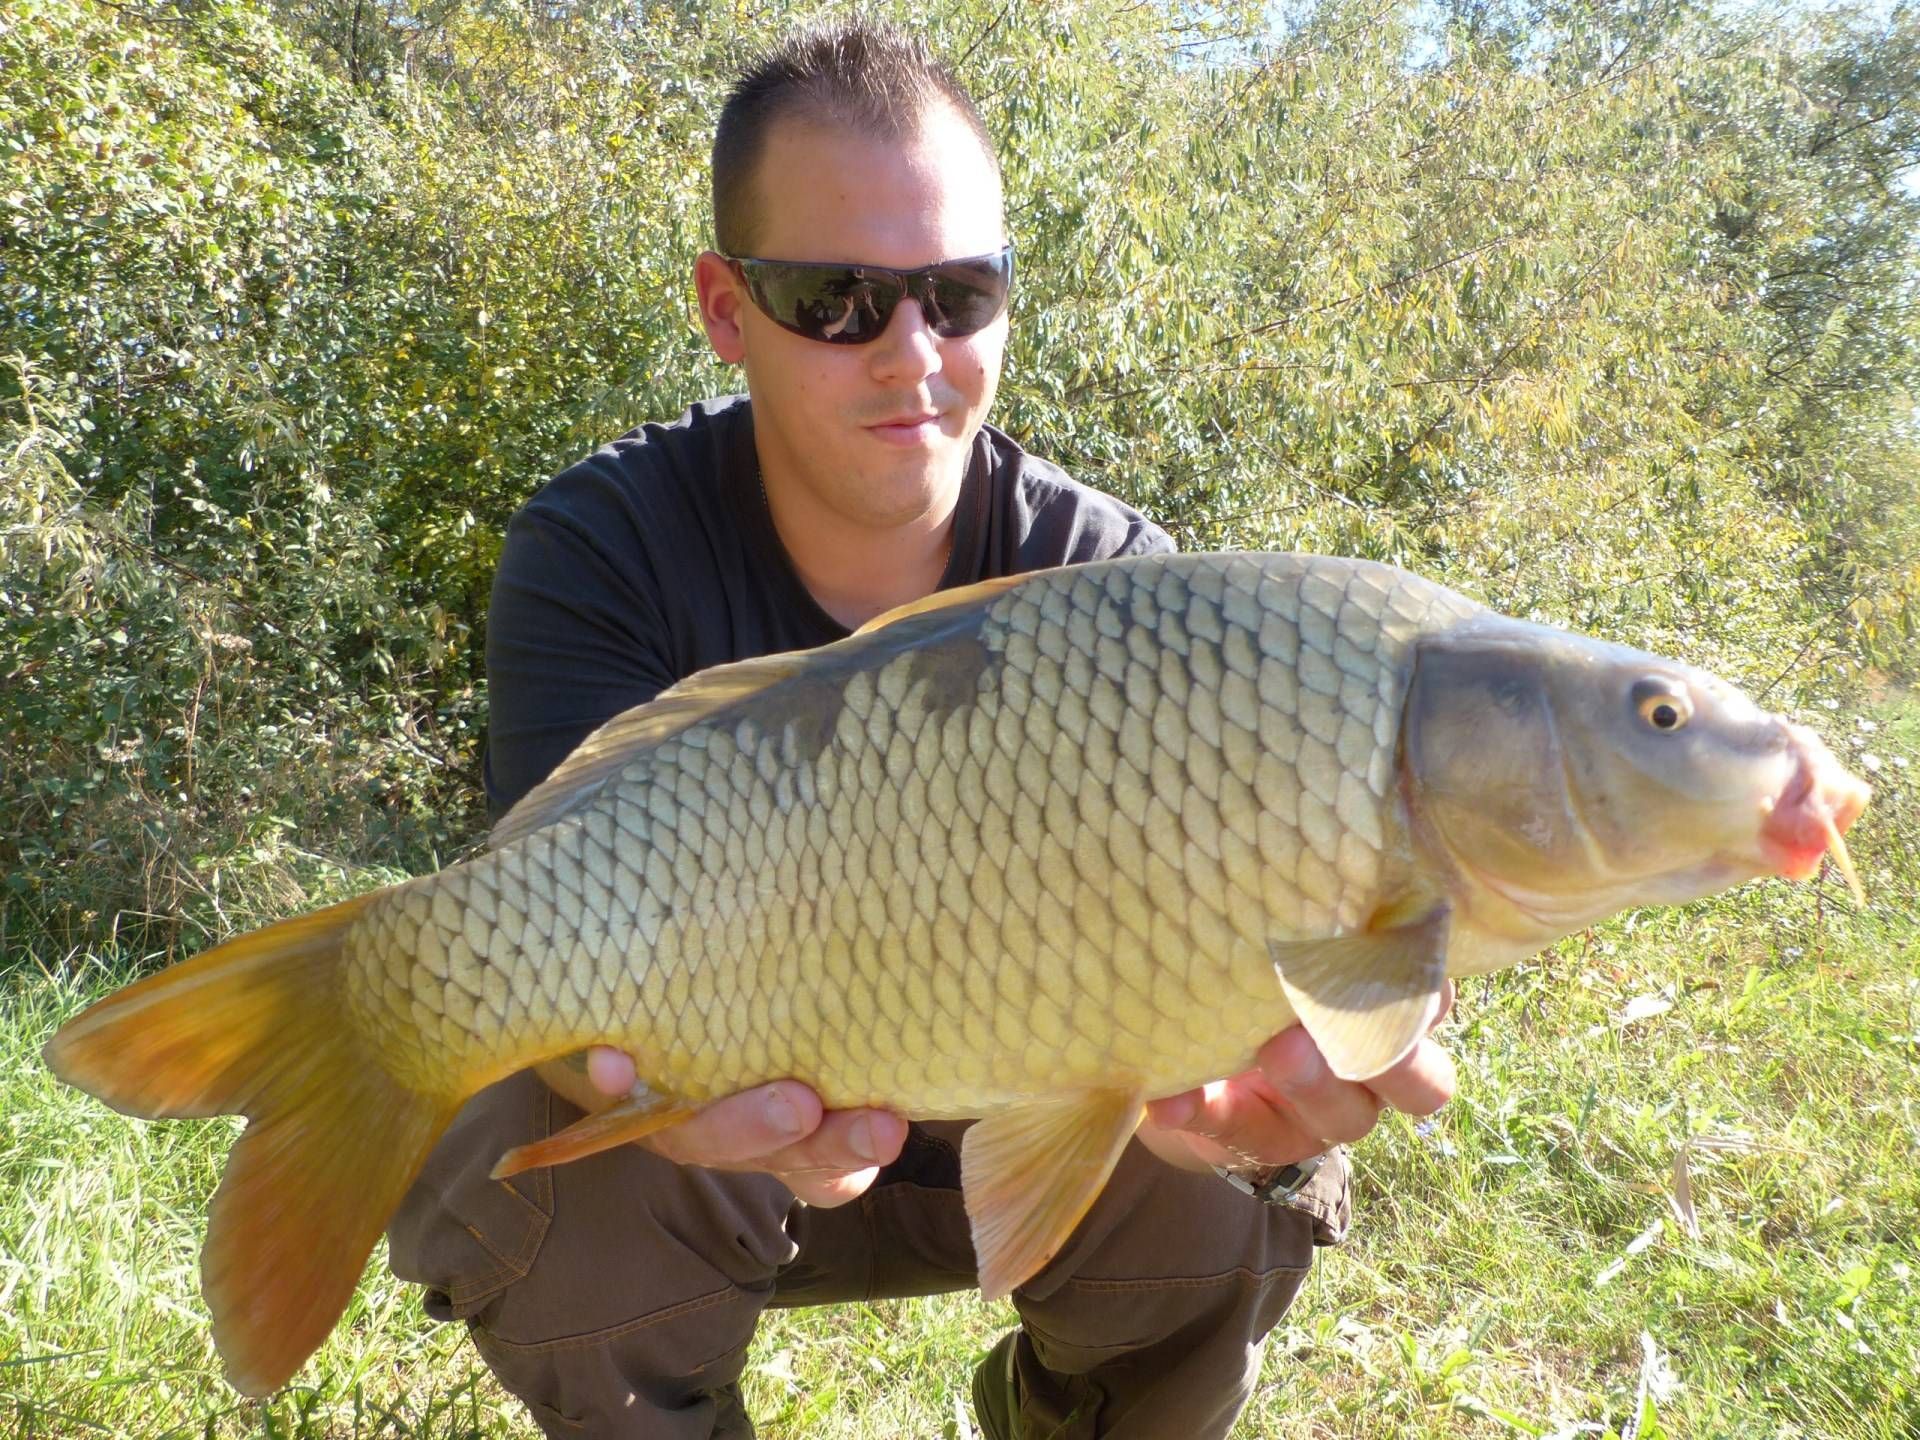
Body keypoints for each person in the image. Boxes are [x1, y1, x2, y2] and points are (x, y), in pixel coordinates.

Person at [386, 21, 1455, 1439]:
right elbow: (553, 940)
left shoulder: (1112, 579)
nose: (914, 354)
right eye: (838, 298)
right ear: (725, 306)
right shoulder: (607, 544)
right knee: (529, 1126)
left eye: (960, 294)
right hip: (722, 1154)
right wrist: (627, 1081)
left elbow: (1308, 901)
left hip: (1021, 1146)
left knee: (1230, 1162)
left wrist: (1372, 1000)